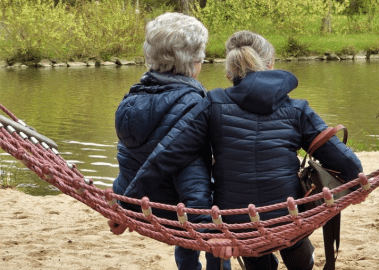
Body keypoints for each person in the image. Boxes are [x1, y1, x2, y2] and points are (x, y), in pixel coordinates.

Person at [127, 30, 363, 270]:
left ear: (229, 73)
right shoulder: (298, 109)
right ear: (270, 66)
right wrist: (357, 183)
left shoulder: (212, 103)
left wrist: (127, 203)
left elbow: (167, 155)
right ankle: (303, 260)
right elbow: (347, 163)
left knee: (252, 243)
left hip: (237, 223)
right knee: (292, 231)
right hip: (287, 216)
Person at [109, 12, 230, 270]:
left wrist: (122, 204)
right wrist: (210, 234)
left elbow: (128, 158)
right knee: (221, 201)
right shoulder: (196, 106)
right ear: (195, 62)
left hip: (141, 204)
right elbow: (194, 181)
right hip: (180, 213)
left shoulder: (129, 101)